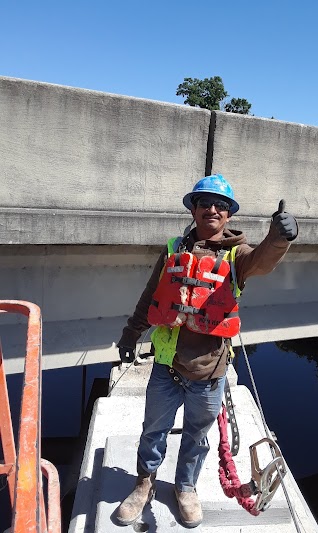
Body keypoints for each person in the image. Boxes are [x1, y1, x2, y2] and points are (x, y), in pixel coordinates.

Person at [115, 174, 298, 528]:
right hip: (166, 366)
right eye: (205, 203)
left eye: (221, 205)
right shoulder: (173, 249)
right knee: (153, 429)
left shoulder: (238, 256)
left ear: (228, 215)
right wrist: (129, 335)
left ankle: (185, 487)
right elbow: (151, 296)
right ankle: (144, 483)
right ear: (194, 209)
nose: (213, 209)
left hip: (209, 373)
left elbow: (263, 260)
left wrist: (279, 238)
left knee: (197, 435)